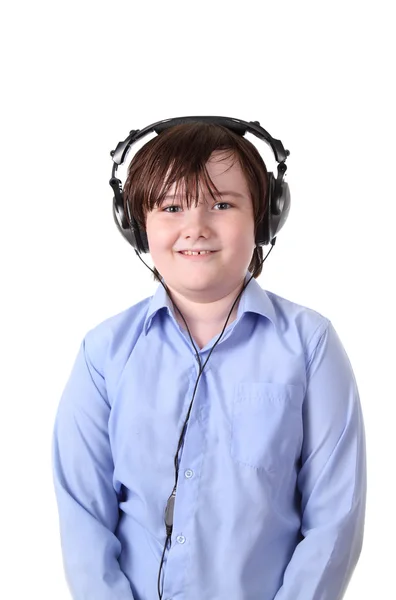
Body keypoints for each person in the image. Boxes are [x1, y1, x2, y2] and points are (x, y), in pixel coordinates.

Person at [51, 119, 367, 600]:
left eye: (221, 204)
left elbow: (335, 519)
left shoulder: (311, 345)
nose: (195, 227)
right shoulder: (104, 353)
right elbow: (84, 520)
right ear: (137, 226)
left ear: (264, 218)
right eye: (171, 207)